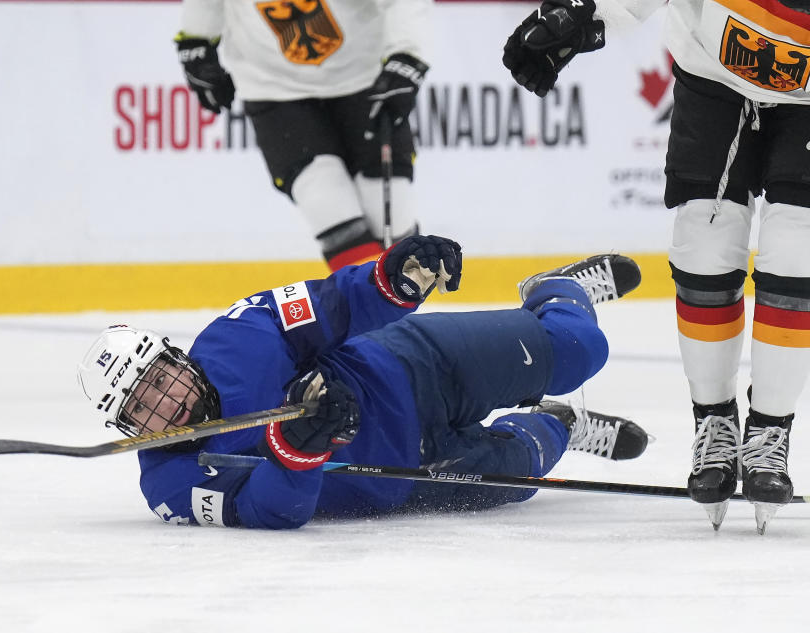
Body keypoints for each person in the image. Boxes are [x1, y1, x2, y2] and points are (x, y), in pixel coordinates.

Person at [501, 0, 810, 532]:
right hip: (717, 69)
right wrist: (583, 12)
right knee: (703, 240)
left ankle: (770, 430)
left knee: (797, 249)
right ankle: (714, 421)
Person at [78, 235, 649, 529]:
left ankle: (555, 291)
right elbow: (267, 513)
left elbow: (332, 306)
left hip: (415, 367)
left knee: (579, 350)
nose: (165, 405)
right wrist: (295, 455)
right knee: (528, 469)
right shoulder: (171, 485)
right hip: (403, 478)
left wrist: (393, 278)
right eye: (142, 406)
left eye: (159, 381)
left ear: (176, 358)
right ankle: (563, 422)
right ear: (128, 424)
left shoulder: (238, 337)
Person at [174, 0, 431, 270]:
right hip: (272, 85)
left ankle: (396, 297)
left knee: (386, 204)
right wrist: (197, 39)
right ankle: (374, 305)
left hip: (365, 77)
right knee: (324, 195)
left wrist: (407, 56)